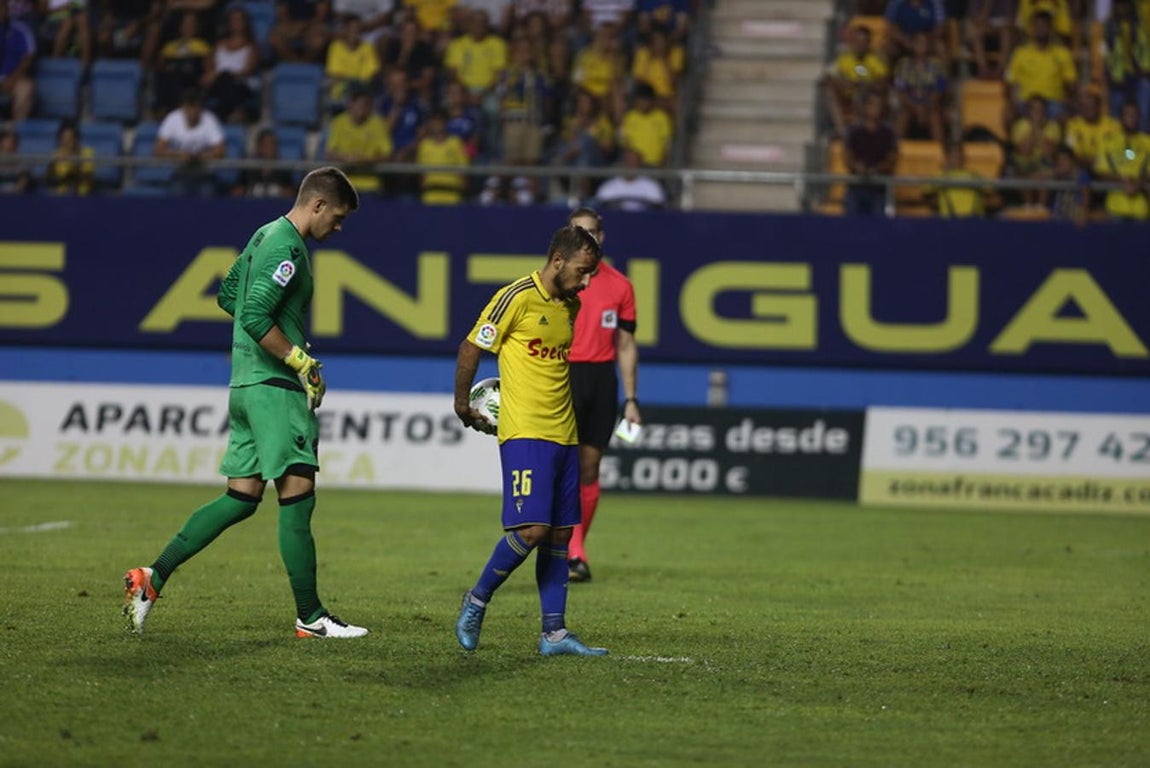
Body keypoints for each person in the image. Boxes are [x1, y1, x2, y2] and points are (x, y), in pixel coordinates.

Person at [123, 166, 369, 640]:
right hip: (274, 389)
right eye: (337, 217)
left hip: (245, 384)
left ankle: (153, 577)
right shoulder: (288, 249)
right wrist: (296, 358)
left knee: (241, 497)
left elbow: (228, 294)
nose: (338, 227)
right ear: (317, 204)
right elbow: (254, 312)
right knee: (297, 496)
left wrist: (269, 342)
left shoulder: (263, 235)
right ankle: (311, 616)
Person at [452, 224, 609, 657]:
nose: (586, 282)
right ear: (558, 261)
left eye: (591, 274)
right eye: (581, 271)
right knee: (532, 529)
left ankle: (554, 634)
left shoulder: (572, 305)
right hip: (526, 431)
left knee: (559, 535)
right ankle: (476, 600)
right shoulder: (516, 297)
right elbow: (471, 347)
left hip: (565, 433)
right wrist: (462, 405)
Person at [564, 207, 638, 583]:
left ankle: (576, 549)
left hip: (601, 379)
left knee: (590, 467)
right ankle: (568, 551)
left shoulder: (620, 286)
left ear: (601, 236)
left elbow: (625, 344)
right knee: (564, 467)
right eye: (577, 232)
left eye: (590, 232)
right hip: (561, 375)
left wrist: (631, 399)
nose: (585, 239)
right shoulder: (555, 280)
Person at [155, 87, 226, 197]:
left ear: (200, 108)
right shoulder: (172, 118)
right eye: (189, 107)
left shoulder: (210, 120)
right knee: (176, 193)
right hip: (180, 172)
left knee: (207, 194)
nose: (192, 112)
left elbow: (221, 150)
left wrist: (201, 156)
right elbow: (158, 150)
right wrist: (179, 154)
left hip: (205, 174)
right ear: (183, 108)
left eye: (195, 107)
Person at [843, 89, 898, 215]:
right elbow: (847, 156)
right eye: (873, 104)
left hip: (879, 188)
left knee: (878, 223)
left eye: (879, 105)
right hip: (857, 186)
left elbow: (892, 158)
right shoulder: (854, 131)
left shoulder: (888, 133)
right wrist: (857, 167)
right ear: (865, 107)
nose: (876, 108)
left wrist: (876, 169)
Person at [0, 0, 36, 123]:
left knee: (26, 88)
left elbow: (28, 57)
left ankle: (14, 129)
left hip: (13, 78)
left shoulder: (20, 29)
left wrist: (12, 79)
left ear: (7, 9)